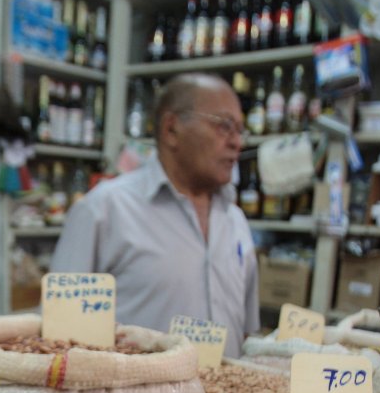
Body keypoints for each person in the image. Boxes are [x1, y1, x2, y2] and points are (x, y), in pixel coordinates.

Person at [50, 73, 259, 357]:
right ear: (171, 129)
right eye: (224, 126)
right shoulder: (105, 210)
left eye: (240, 130)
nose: (237, 142)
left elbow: (246, 331)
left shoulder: (235, 221)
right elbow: (58, 338)